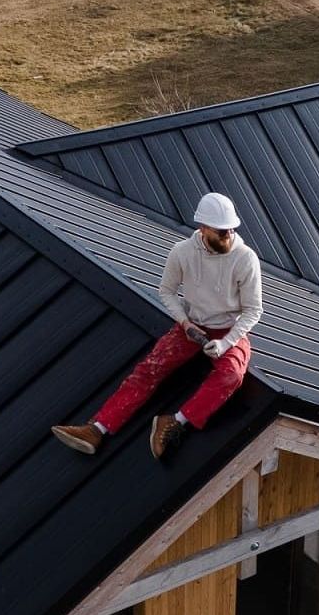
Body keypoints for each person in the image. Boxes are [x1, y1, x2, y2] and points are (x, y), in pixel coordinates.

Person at [51, 192, 263, 460]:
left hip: (228, 330)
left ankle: (175, 422)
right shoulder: (182, 253)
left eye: (230, 230)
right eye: (221, 231)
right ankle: (97, 429)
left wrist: (227, 342)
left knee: (231, 376)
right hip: (191, 325)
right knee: (150, 369)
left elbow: (254, 310)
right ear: (203, 228)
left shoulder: (245, 258)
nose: (227, 235)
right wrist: (185, 324)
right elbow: (167, 292)